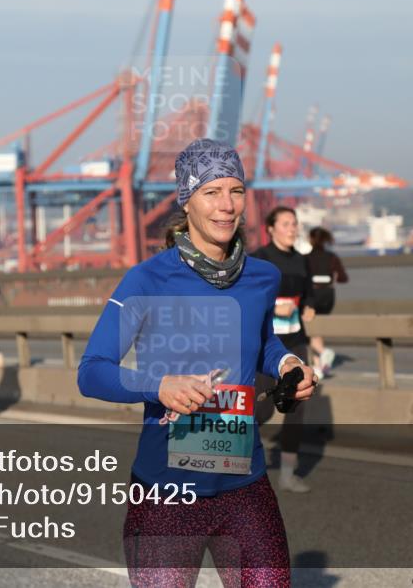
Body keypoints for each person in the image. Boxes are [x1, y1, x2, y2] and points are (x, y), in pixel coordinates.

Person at [79, 138, 317, 587]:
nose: (227, 206)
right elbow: (91, 370)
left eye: (236, 191)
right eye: (211, 192)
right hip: (166, 491)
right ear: (186, 200)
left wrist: (288, 364)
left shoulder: (263, 276)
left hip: (245, 484)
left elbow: (264, 339)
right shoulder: (147, 279)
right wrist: (159, 385)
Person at [251, 206, 317, 493]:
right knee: (262, 407)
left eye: (295, 224)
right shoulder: (259, 260)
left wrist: (310, 305)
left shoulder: (303, 260)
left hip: (296, 339)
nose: (292, 229)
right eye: (286, 224)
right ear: (271, 228)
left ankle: (288, 474)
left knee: (297, 407)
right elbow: (250, 300)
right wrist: (276, 306)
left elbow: (310, 294)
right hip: (267, 342)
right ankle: (238, 457)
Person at [305, 226, 349, 375]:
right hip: (329, 297)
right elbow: (343, 278)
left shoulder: (306, 259)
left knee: (308, 329)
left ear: (311, 239)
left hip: (312, 296)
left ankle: (323, 353)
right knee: (318, 330)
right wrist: (331, 279)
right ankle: (320, 367)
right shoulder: (332, 258)